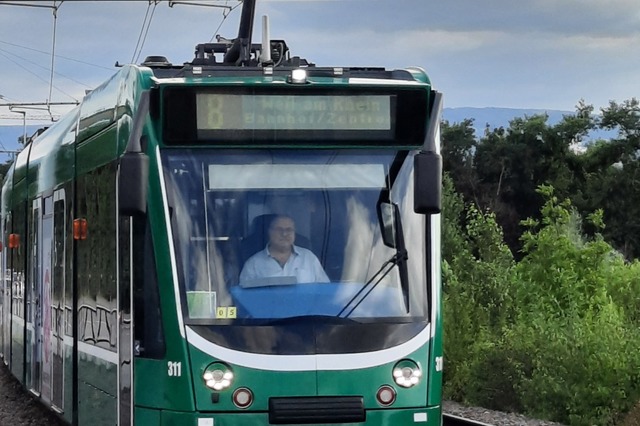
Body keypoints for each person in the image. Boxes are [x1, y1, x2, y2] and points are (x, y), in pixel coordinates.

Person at [239, 215, 329, 284]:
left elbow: (324, 290)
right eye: (279, 229)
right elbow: (244, 298)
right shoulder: (253, 264)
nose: (285, 234)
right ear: (269, 232)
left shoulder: (309, 258)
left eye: (289, 230)